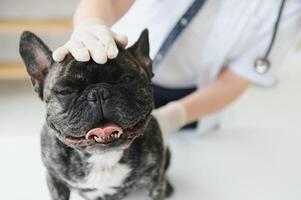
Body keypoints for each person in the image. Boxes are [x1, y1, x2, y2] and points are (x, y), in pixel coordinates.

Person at [53, 0, 301, 138]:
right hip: (117, 74)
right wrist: (90, 24)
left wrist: (176, 116)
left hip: (196, 97)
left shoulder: (286, 5)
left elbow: (239, 76)